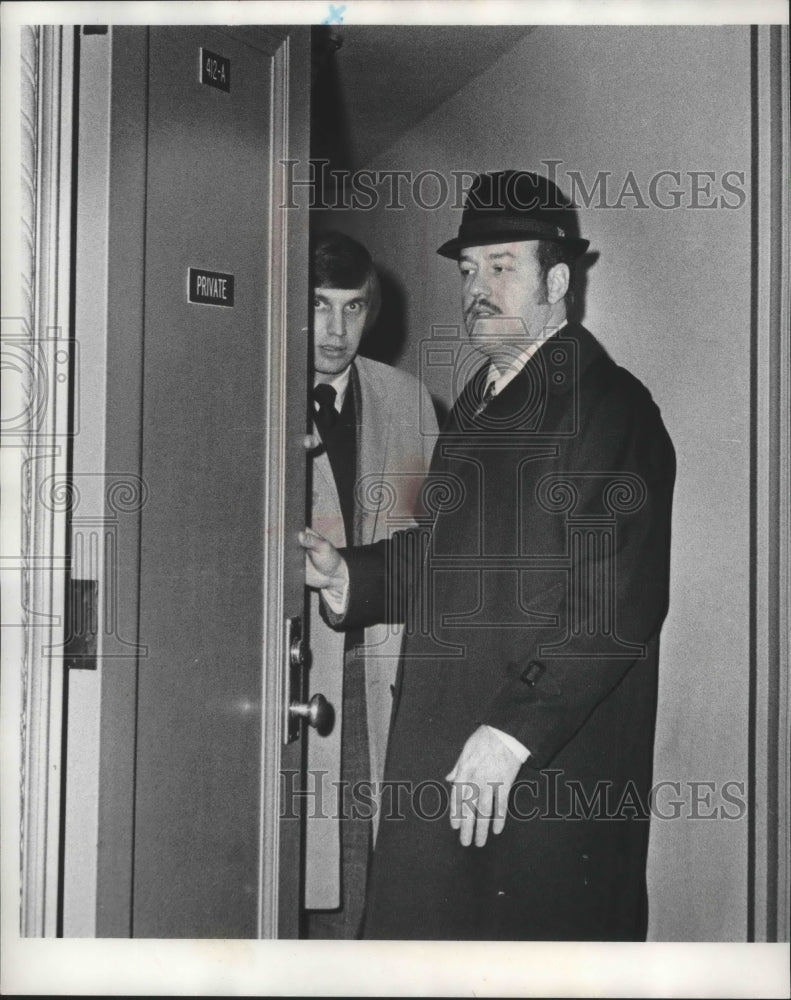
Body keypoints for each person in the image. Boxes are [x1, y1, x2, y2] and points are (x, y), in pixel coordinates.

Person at [301, 173, 675, 941]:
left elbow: (614, 606)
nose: (476, 288)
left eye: (501, 267)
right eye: (468, 270)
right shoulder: (482, 398)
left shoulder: (610, 407)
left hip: (535, 773)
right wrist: (352, 576)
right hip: (458, 753)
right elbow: (446, 558)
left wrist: (511, 732)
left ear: (556, 284)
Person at [302, 230, 438, 939]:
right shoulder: (246, 386)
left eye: (351, 308)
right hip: (285, 677)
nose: (334, 329)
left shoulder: (407, 401)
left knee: (352, 886)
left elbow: (434, 550)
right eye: (318, 305)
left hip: (370, 674)